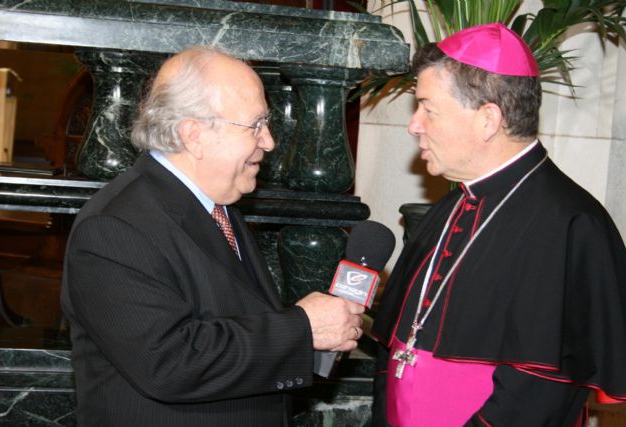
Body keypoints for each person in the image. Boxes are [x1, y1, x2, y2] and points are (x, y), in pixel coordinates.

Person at [60, 46, 365, 426]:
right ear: (194, 135)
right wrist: (302, 327)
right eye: (255, 125)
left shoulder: (219, 207)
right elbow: (169, 362)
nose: (268, 141)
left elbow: (232, 320)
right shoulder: (114, 226)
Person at [371, 23, 626, 426]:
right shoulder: (449, 208)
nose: (414, 124)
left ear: (488, 119)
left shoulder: (571, 225)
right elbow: (396, 346)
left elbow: (540, 393)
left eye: (428, 108)